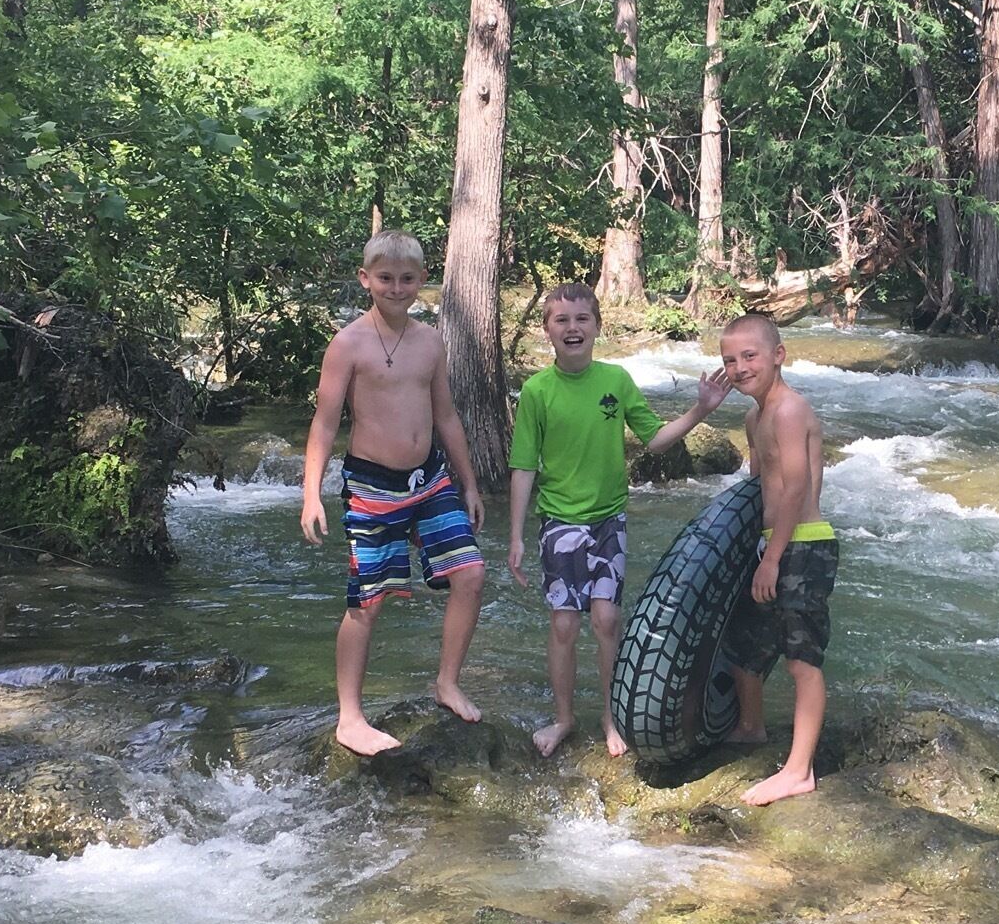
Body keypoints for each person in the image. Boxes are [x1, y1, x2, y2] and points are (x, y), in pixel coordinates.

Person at [508, 284, 731, 758]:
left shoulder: (616, 380)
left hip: (609, 519)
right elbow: (524, 466)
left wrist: (700, 409)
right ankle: (564, 718)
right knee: (564, 624)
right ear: (547, 330)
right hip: (560, 521)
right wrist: (516, 537)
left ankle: (612, 716)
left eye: (582, 319)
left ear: (597, 326)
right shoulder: (537, 391)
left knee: (607, 619)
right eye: (561, 320)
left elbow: (655, 440)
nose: (572, 328)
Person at [300, 231, 488, 756]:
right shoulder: (348, 345)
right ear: (366, 279)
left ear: (422, 280)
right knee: (369, 599)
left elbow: (446, 416)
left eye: (407, 279)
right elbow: (324, 424)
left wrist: (470, 484)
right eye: (385, 278)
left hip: (429, 480)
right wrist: (311, 494)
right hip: (371, 487)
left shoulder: (430, 341)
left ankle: (447, 682)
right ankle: (349, 717)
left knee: (471, 574)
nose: (396, 288)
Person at [717, 313, 835, 806]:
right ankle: (751, 727)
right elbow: (758, 489)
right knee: (744, 645)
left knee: (801, 660)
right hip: (772, 544)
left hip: (803, 544)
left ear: (778, 355)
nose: (740, 367)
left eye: (750, 356)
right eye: (730, 360)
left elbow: (795, 489)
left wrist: (773, 559)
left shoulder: (790, 410)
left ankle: (799, 771)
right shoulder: (754, 418)